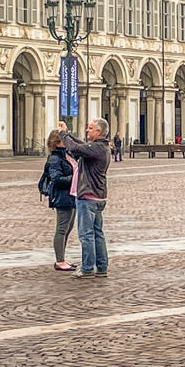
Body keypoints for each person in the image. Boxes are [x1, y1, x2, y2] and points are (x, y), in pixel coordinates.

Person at [59, 118, 112, 278]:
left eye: (90, 128)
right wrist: (67, 134)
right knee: (97, 233)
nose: (87, 130)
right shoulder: (101, 147)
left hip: (88, 196)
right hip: (98, 196)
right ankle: (101, 266)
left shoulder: (96, 148)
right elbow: (81, 145)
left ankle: (88, 268)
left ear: (99, 132)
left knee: (86, 234)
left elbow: (75, 149)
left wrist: (63, 134)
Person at [43, 129, 77, 272]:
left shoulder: (67, 155)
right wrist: (74, 178)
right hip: (62, 196)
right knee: (61, 229)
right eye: (64, 139)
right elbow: (56, 178)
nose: (67, 141)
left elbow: (76, 144)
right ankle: (59, 260)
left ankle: (62, 257)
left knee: (68, 228)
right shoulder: (55, 159)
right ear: (57, 142)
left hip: (72, 195)